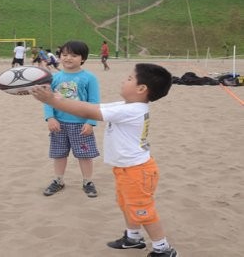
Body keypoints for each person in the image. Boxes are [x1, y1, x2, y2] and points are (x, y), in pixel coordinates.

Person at [31, 63, 178, 257]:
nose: (123, 80)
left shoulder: (132, 110)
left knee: (143, 211)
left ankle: (163, 249)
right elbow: (90, 106)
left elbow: (88, 113)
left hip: (138, 171)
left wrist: (53, 101)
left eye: (129, 78)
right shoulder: (124, 106)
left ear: (141, 89)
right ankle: (133, 238)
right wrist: (54, 96)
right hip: (126, 169)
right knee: (126, 203)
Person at [41, 40, 100, 198]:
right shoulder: (54, 77)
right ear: (59, 56)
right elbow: (48, 100)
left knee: (84, 155)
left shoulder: (89, 78)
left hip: (81, 125)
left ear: (83, 58)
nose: (68, 58)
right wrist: (50, 118)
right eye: (64, 54)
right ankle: (58, 180)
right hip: (58, 124)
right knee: (59, 154)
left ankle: (87, 181)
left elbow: (94, 102)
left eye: (74, 55)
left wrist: (90, 122)